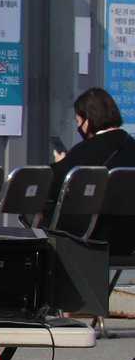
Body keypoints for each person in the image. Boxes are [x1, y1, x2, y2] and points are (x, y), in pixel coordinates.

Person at [51, 87, 135, 254]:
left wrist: (61, 165)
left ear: (87, 121)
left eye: (78, 121)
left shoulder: (85, 150)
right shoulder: (131, 145)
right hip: (129, 239)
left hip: (91, 236)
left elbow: (52, 187)